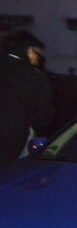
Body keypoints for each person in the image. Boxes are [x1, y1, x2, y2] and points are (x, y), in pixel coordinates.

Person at [0, 29, 55, 163]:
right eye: (38, 55)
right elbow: (42, 117)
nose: (37, 60)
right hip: (12, 145)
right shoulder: (34, 77)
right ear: (28, 51)